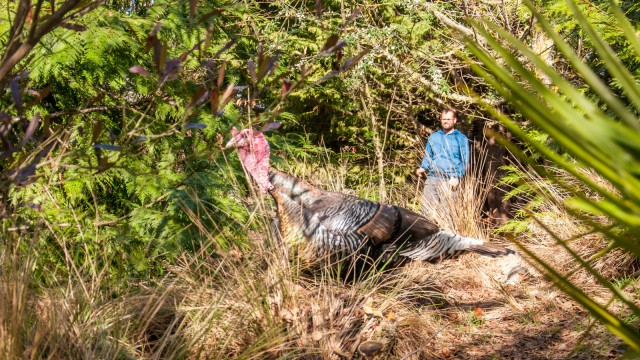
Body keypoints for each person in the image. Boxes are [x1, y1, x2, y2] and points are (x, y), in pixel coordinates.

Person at [415, 107, 470, 211]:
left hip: (450, 181)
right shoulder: (433, 137)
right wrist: (423, 167)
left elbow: (465, 160)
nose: (446, 121)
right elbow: (428, 155)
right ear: (441, 120)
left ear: (454, 120)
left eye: (448, 119)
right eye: (443, 119)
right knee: (426, 212)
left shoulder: (461, 138)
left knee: (447, 215)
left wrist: (457, 177)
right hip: (432, 179)